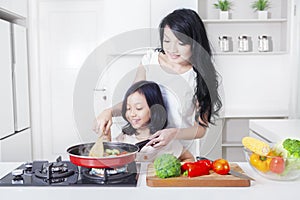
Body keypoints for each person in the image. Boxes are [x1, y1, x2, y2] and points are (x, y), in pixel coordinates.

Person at [94, 8, 222, 154]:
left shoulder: (200, 77)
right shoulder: (150, 60)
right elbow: (132, 102)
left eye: (180, 43)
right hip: (147, 149)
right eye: (167, 41)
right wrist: (109, 111)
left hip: (179, 153)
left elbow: (200, 129)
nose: (172, 49)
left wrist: (173, 133)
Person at [115, 80, 194, 162]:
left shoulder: (164, 140)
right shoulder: (123, 138)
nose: (132, 114)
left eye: (138, 108)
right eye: (128, 108)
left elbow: (189, 158)